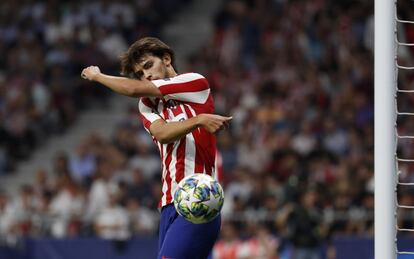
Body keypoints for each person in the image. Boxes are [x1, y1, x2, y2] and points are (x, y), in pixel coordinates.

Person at [81, 37, 232, 259]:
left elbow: (135, 89)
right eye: (140, 74)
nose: (146, 75)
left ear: (167, 58)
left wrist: (98, 76)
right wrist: (198, 120)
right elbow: (162, 134)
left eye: (148, 66)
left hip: (199, 198)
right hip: (168, 205)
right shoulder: (147, 104)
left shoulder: (194, 83)